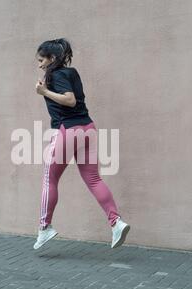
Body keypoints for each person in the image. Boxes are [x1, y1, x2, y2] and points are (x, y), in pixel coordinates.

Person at [33, 38, 130, 250]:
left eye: (41, 60)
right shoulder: (71, 73)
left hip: (68, 130)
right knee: (94, 179)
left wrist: (44, 92)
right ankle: (116, 222)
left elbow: (69, 100)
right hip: (87, 129)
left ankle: (44, 227)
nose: (39, 64)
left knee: (50, 178)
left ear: (52, 58)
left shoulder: (57, 75)